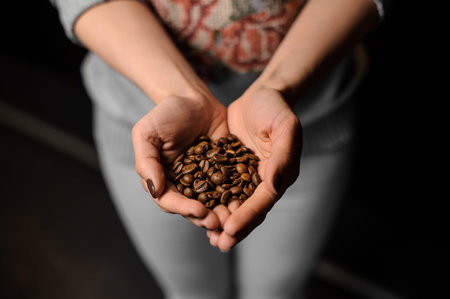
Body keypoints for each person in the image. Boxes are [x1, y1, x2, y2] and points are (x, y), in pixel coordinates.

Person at [51, 0, 389, 298]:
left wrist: (278, 86)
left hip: (308, 122)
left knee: (277, 292)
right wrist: (178, 93)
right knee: (192, 291)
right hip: (151, 133)